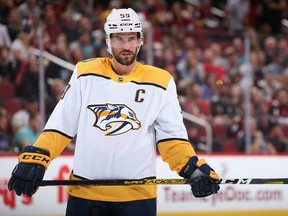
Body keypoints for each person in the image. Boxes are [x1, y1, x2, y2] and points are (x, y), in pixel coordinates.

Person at [8, 8, 220, 216]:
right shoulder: (85, 73)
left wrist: (193, 168)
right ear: (108, 41)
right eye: (119, 39)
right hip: (85, 194)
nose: (126, 46)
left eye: (131, 38)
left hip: (137, 198)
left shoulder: (161, 81)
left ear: (140, 40)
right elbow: (61, 125)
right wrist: (38, 156)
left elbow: (172, 139)